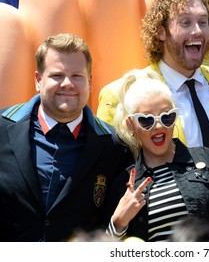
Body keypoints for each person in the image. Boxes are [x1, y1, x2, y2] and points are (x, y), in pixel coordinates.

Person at [96, 0, 209, 196]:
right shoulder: (123, 93)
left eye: (203, 22)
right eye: (185, 22)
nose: (197, 31)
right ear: (161, 31)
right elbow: (111, 173)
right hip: (169, 224)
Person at [0, 33, 134, 241]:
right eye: (57, 75)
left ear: (89, 82)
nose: (67, 84)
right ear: (38, 80)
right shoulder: (2, 129)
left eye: (77, 76)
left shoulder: (114, 146)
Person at [107, 69, 209, 241]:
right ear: (130, 125)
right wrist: (118, 222)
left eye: (167, 117)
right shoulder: (125, 184)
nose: (158, 126)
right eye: (146, 120)